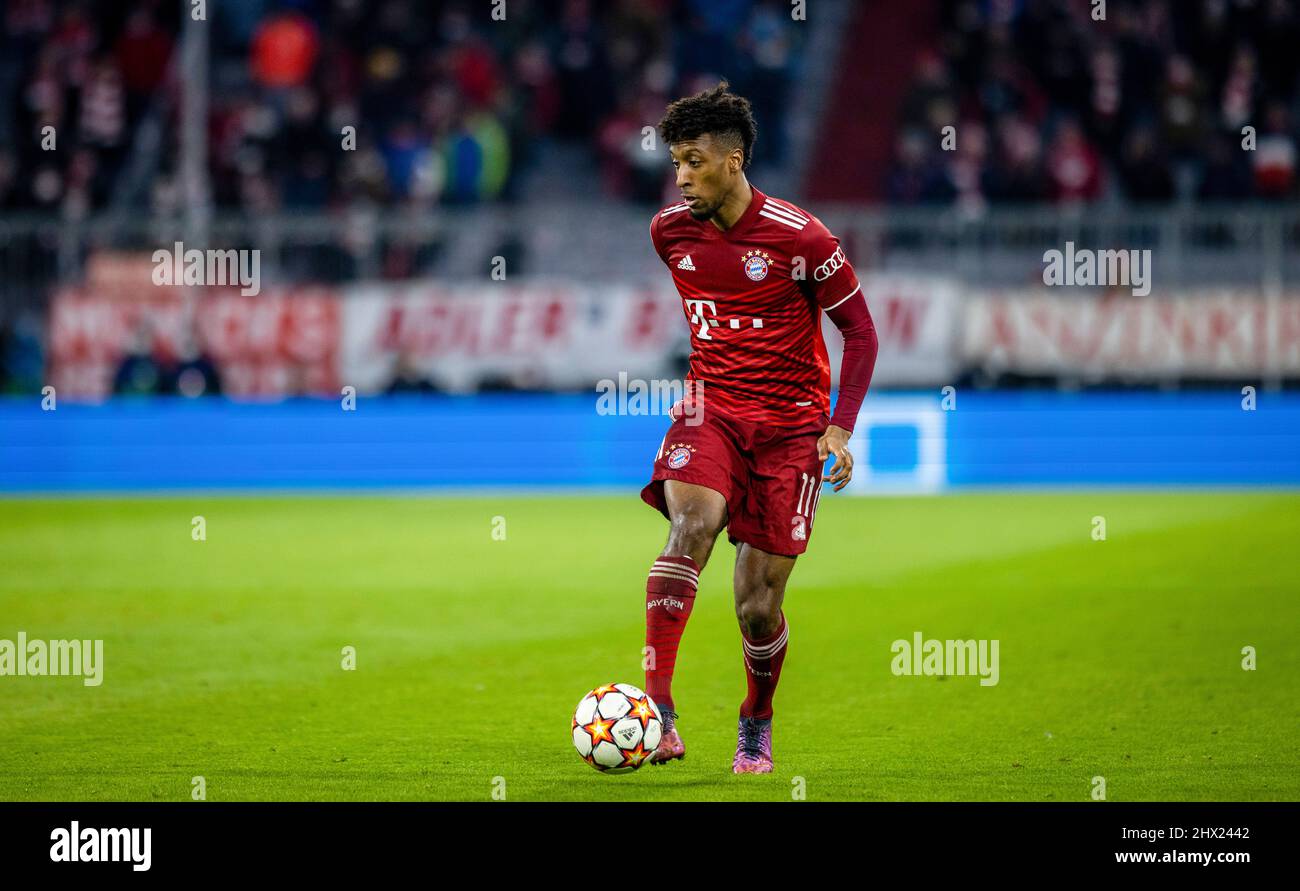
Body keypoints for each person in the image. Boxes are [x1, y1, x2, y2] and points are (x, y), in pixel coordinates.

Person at [638, 82, 878, 774]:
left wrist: (839, 429)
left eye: (693, 161)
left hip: (790, 429)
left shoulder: (803, 238)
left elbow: (860, 334)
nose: (680, 177)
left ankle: (756, 717)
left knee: (756, 607)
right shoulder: (669, 233)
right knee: (692, 524)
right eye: (675, 162)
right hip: (709, 409)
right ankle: (659, 712)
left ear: (734, 160)